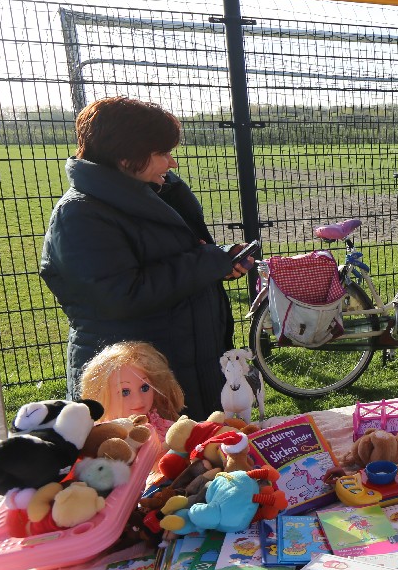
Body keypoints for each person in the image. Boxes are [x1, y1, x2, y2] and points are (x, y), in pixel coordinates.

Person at [39, 97, 254, 420]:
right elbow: (119, 296)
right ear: (127, 157)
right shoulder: (80, 215)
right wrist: (207, 262)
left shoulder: (157, 194)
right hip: (131, 386)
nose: (172, 163)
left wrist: (219, 263)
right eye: (162, 153)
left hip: (179, 366)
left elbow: (179, 259)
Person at [78, 341, 185, 441]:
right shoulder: (99, 436)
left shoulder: (161, 427)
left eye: (145, 388)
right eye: (125, 392)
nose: (138, 400)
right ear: (102, 394)